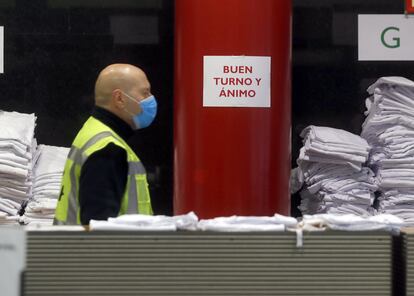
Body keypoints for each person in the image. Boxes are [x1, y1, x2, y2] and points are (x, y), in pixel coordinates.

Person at [54, 64, 157, 225]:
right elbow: (99, 232)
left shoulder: (93, 129)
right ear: (119, 99)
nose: (151, 99)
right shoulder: (109, 151)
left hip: (71, 248)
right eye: (145, 93)